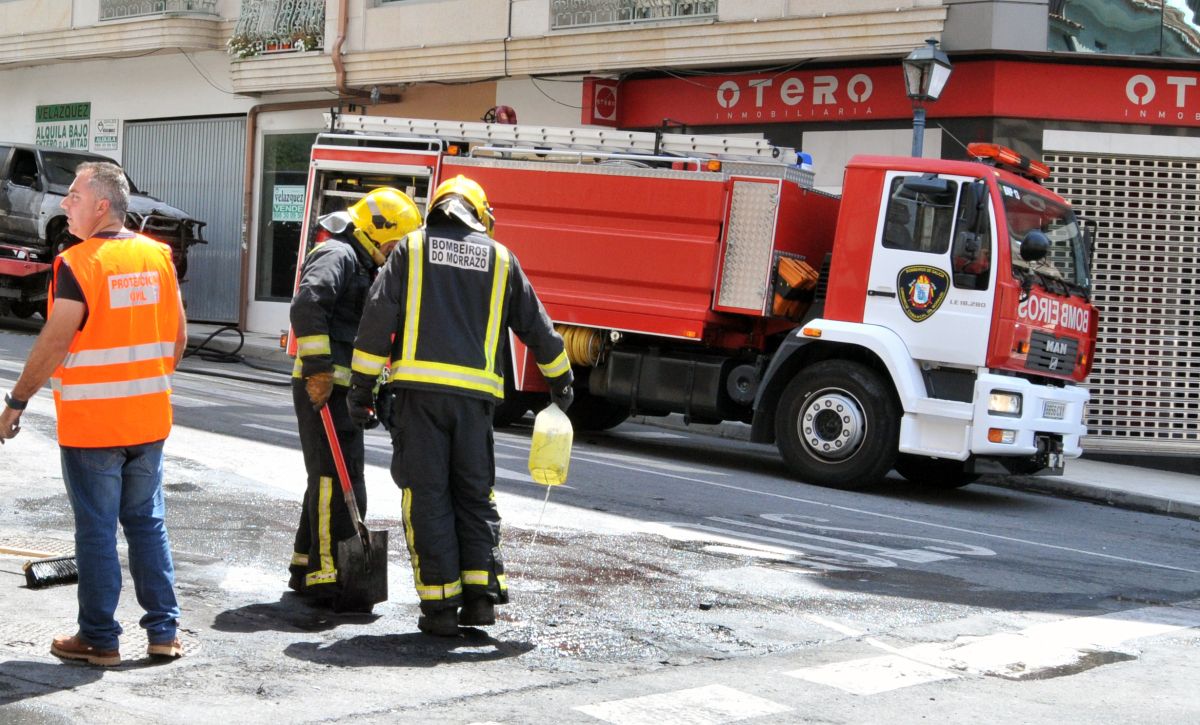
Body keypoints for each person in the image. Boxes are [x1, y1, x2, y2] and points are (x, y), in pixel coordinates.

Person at [348, 174, 574, 636]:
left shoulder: (410, 249)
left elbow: (376, 320)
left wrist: (361, 389)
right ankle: (480, 601)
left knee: (427, 497)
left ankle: (439, 607)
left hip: (420, 400)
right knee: (475, 496)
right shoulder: (501, 258)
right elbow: (537, 326)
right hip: (476, 407)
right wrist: (561, 379)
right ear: (479, 214)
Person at [0, 161, 187, 667]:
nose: (65, 203)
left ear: (102, 206)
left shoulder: (80, 263)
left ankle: (100, 638)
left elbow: (55, 341)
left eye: (75, 196)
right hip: (148, 422)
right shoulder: (158, 256)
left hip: (93, 427)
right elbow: (177, 340)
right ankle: (164, 633)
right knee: (148, 525)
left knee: (97, 531)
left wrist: (16, 401)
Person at [288, 187, 421, 604]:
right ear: (380, 233)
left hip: (339, 387)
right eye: (396, 243)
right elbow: (308, 304)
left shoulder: (359, 261)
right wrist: (317, 371)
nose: (396, 252)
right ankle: (329, 577)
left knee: (333, 475)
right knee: (335, 479)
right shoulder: (339, 255)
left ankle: (304, 564)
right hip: (324, 387)